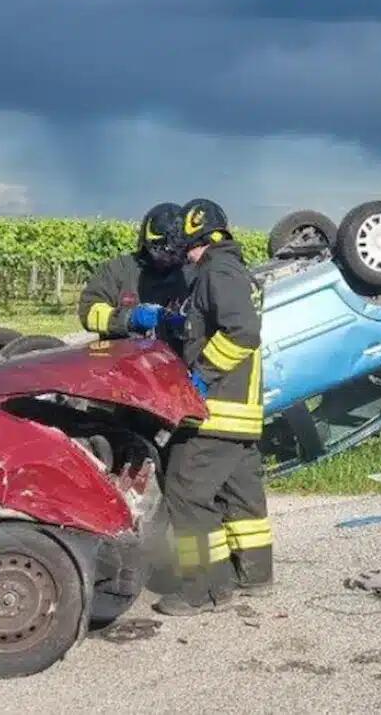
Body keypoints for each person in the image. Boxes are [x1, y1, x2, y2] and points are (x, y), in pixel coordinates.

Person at [153, 198, 272, 616]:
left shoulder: (215, 271)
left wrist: (199, 374)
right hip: (241, 414)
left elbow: (243, 333)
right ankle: (253, 573)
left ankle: (204, 588)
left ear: (194, 239)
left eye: (183, 245)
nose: (182, 254)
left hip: (216, 410)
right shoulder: (233, 269)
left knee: (185, 492)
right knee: (241, 496)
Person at [78, 202, 192, 342]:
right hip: (122, 357)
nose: (167, 259)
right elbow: (87, 312)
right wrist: (129, 318)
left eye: (174, 253)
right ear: (146, 244)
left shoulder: (191, 274)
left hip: (172, 359)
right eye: (161, 252)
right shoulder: (118, 269)